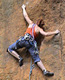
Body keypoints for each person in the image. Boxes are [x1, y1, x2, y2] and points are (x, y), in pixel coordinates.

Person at [7, 4, 60, 77]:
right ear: (41, 25)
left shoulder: (31, 24)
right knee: (36, 58)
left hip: (23, 41)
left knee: (9, 48)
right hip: (31, 44)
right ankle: (44, 70)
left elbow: (25, 16)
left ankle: (19, 58)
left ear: (36, 22)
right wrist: (55, 32)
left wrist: (23, 8)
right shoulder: (39, 29)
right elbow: (45, 34)